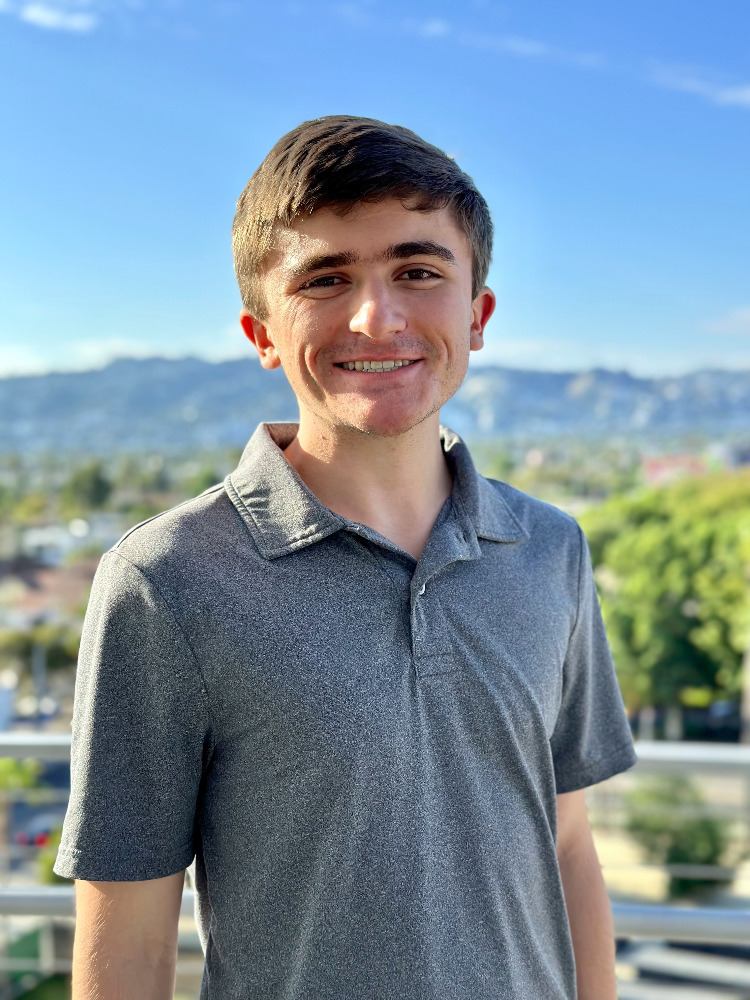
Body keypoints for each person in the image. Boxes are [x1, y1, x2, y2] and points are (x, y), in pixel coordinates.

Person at [54, 115, 637, 1000]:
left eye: (417, 270)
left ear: (476, 314)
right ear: (262, 333)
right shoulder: (165, 582)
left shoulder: (550, 549)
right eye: (326, 278)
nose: (377, 316)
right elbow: (128, 934)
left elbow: (562, 842)